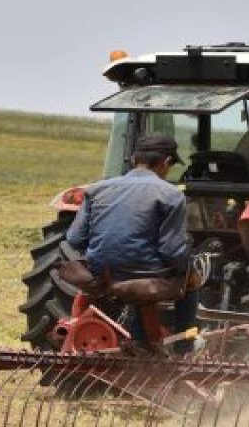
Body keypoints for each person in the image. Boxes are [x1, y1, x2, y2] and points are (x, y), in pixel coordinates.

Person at [66, 133, 198, 352]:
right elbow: (171, 250)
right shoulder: (171, 195)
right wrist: (188, 269)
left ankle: (134, 339)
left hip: (99, 276)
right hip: (144, 280)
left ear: (134, 158)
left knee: (136, 278)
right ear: (166, 162)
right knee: (192, 281)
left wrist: (106, 256)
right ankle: (184, 349)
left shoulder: (97, 189)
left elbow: (74, 238)